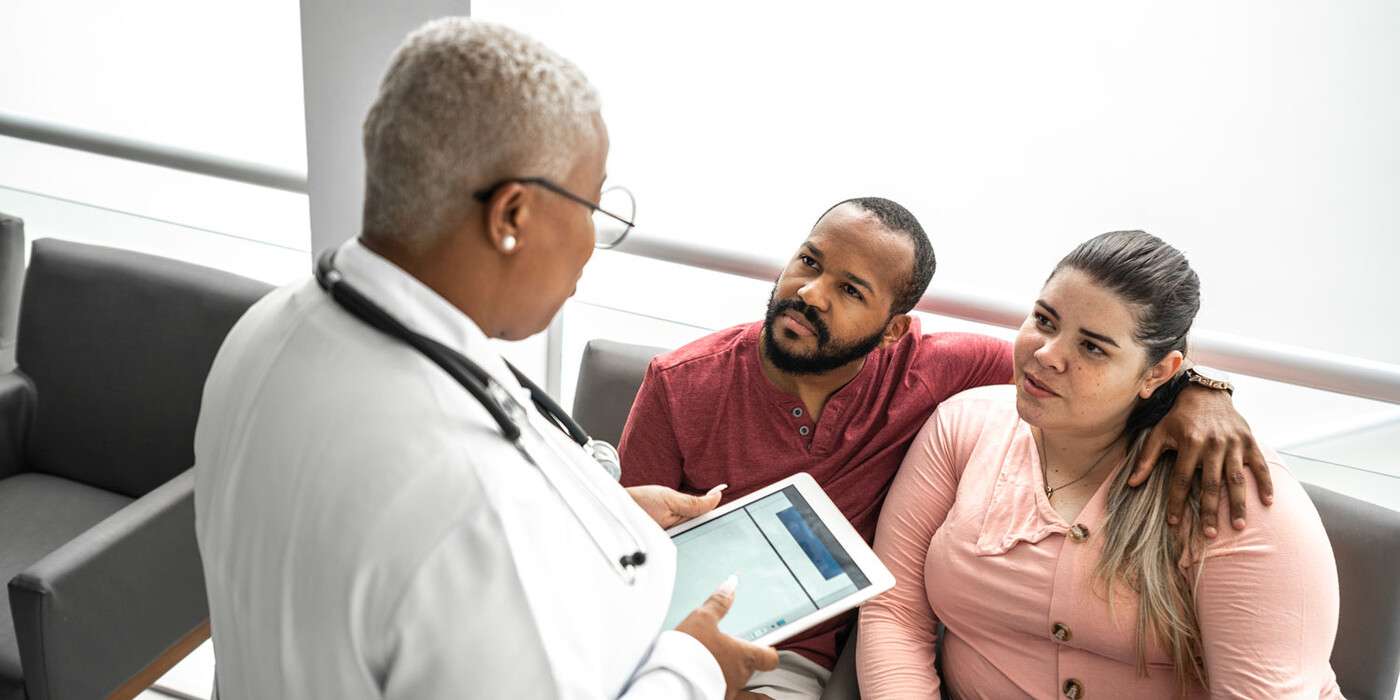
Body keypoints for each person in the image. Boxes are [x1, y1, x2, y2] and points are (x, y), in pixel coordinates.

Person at [193, 18, 776, 699]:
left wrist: (592, 512)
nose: (594, 240)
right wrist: (695, 668)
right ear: (512, 217)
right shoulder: (477, 502)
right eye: (592, 203)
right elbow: (459, 525)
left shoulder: (269, 328)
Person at [618, 200, 1271, 699]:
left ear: (893, 330)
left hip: (793, 659)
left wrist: (1197, 389)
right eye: (809, 262)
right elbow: (618, 555)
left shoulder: (941, 372)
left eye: (851, 290)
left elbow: (1084, 370)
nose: (810, 293)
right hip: (659, 626)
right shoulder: (679, 382)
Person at [856, 230, 1341, 698]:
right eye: (1045, 320)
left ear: (1158, 372)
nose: (1047, 355)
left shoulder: (1234, 487)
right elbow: (894, 611)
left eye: (1092, 347)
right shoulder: (963, 426)